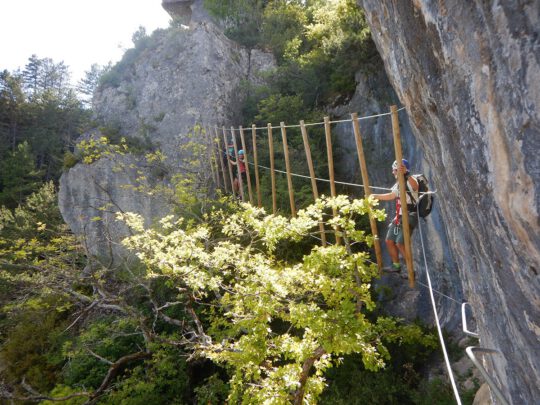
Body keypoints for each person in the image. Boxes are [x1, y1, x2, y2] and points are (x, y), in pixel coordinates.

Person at [372, 159, 419, 273]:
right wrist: (375, 196)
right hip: (399, 217)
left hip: (409, 216)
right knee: (389, 241)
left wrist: (406, 174)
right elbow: (391, 195)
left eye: (394, 170)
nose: (393, 172)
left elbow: (415, 186)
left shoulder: (409, 180)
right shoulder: (398, 184)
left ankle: (411, 269)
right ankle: (396, 266)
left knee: (400, 243)